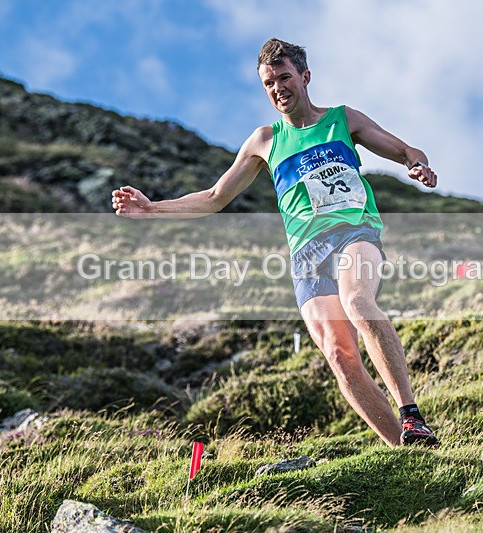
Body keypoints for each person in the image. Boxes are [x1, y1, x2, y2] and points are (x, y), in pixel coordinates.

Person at [111, 38, 439, 447]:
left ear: (304, 77)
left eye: (285, 78)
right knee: (340, 357)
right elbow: (215, 198)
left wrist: (418, 165)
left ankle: (411, 416)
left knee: (357, 302)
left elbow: (406, 149)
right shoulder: (264, 141)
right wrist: (152, 208)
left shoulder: (342, 119)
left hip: (354, 233)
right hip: (306, 256)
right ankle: (407, 451)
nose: (278, 88)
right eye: (269, 83)